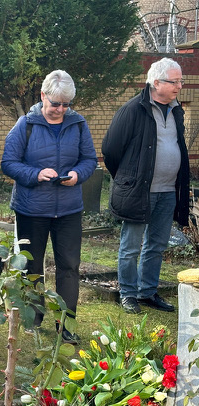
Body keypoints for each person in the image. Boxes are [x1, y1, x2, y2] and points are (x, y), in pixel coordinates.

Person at [0, 70, 97, 344]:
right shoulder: (25, 125)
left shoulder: (78, 124)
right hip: (32, 209)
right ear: (43, 96)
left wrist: (78, 174)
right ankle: (33, 319)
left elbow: (89, 159)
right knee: (32, 267)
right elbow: (8, 162)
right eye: (55, 104)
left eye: (66, 104)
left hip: (68, 209)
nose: (61, 110)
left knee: (69, 265)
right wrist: (35, 174)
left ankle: (65, 325)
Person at [102, 57, 188, 315]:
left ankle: (147, 291)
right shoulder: (133, 109)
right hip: (138, 192)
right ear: (157, 82)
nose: (180, 86)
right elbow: (110, 149)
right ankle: (128, 294)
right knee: (131, 246)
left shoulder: (176, 110)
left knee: (157, 245)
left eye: (181, 81)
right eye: (175, 81)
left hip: (168, 191)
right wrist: (128, 179)